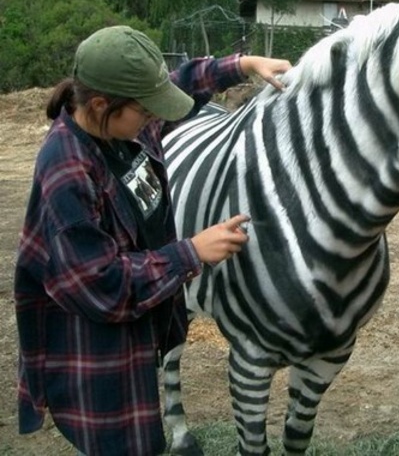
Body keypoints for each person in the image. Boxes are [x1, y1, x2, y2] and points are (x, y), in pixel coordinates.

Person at [13, 25, 292, 456]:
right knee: (126, 443)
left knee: (145, 436)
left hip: (135, 325)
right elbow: (101, 284)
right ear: (103, 103)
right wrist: (190, 252)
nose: (154, 120)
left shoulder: (117, 125)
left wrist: (243, 65)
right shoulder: (67, 170)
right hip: (96, 345)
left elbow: (179, 87)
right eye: (146, 113)